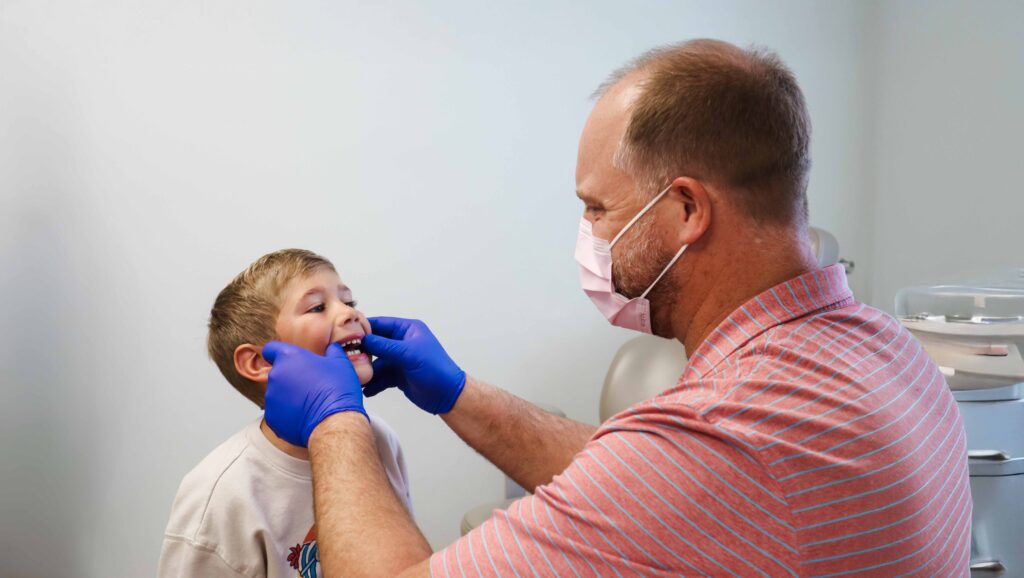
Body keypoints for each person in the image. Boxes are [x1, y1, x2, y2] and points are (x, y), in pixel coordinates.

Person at [261, 40, 972, 576]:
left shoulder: (733, 433)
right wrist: (457, 393)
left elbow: (679, 472)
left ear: (687, 208)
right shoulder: (882, 345)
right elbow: (634, 476)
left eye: (598, 209)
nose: (590, 235)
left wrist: (337, 426)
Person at [158, 249, 413, 578]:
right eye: (317, 307)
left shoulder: (378, 439)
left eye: (349, 302)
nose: (350, 314)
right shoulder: (221, 494)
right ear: (260, 362)